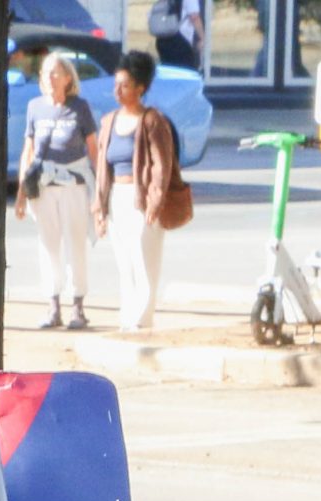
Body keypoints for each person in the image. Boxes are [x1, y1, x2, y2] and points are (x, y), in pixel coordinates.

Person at [94, 49, 187, 334]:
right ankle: (127, 314)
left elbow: (162, 164)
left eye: (124, 85)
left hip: (142, 198)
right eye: (116, 84)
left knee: (144, 259)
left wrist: (154, 203)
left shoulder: (152, 121)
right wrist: (100, 207)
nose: (117, 90)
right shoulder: (109, 121)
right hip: (117, 198)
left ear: (140, 88)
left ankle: (142, 317)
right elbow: (102, 165)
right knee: (124, 261)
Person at [15, 51, 102, 331]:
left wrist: (100, 191)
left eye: (55, 73)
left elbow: (93, 150)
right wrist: (20, 194)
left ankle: (78, 305)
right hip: (43, 186)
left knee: (75, 243)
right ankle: (53, 306)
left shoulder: (79, 107)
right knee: (48, 245)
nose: (50, 78)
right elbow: (28, 152)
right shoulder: (35, 107)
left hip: (73, 185)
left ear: (67, 78)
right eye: (45, 73)